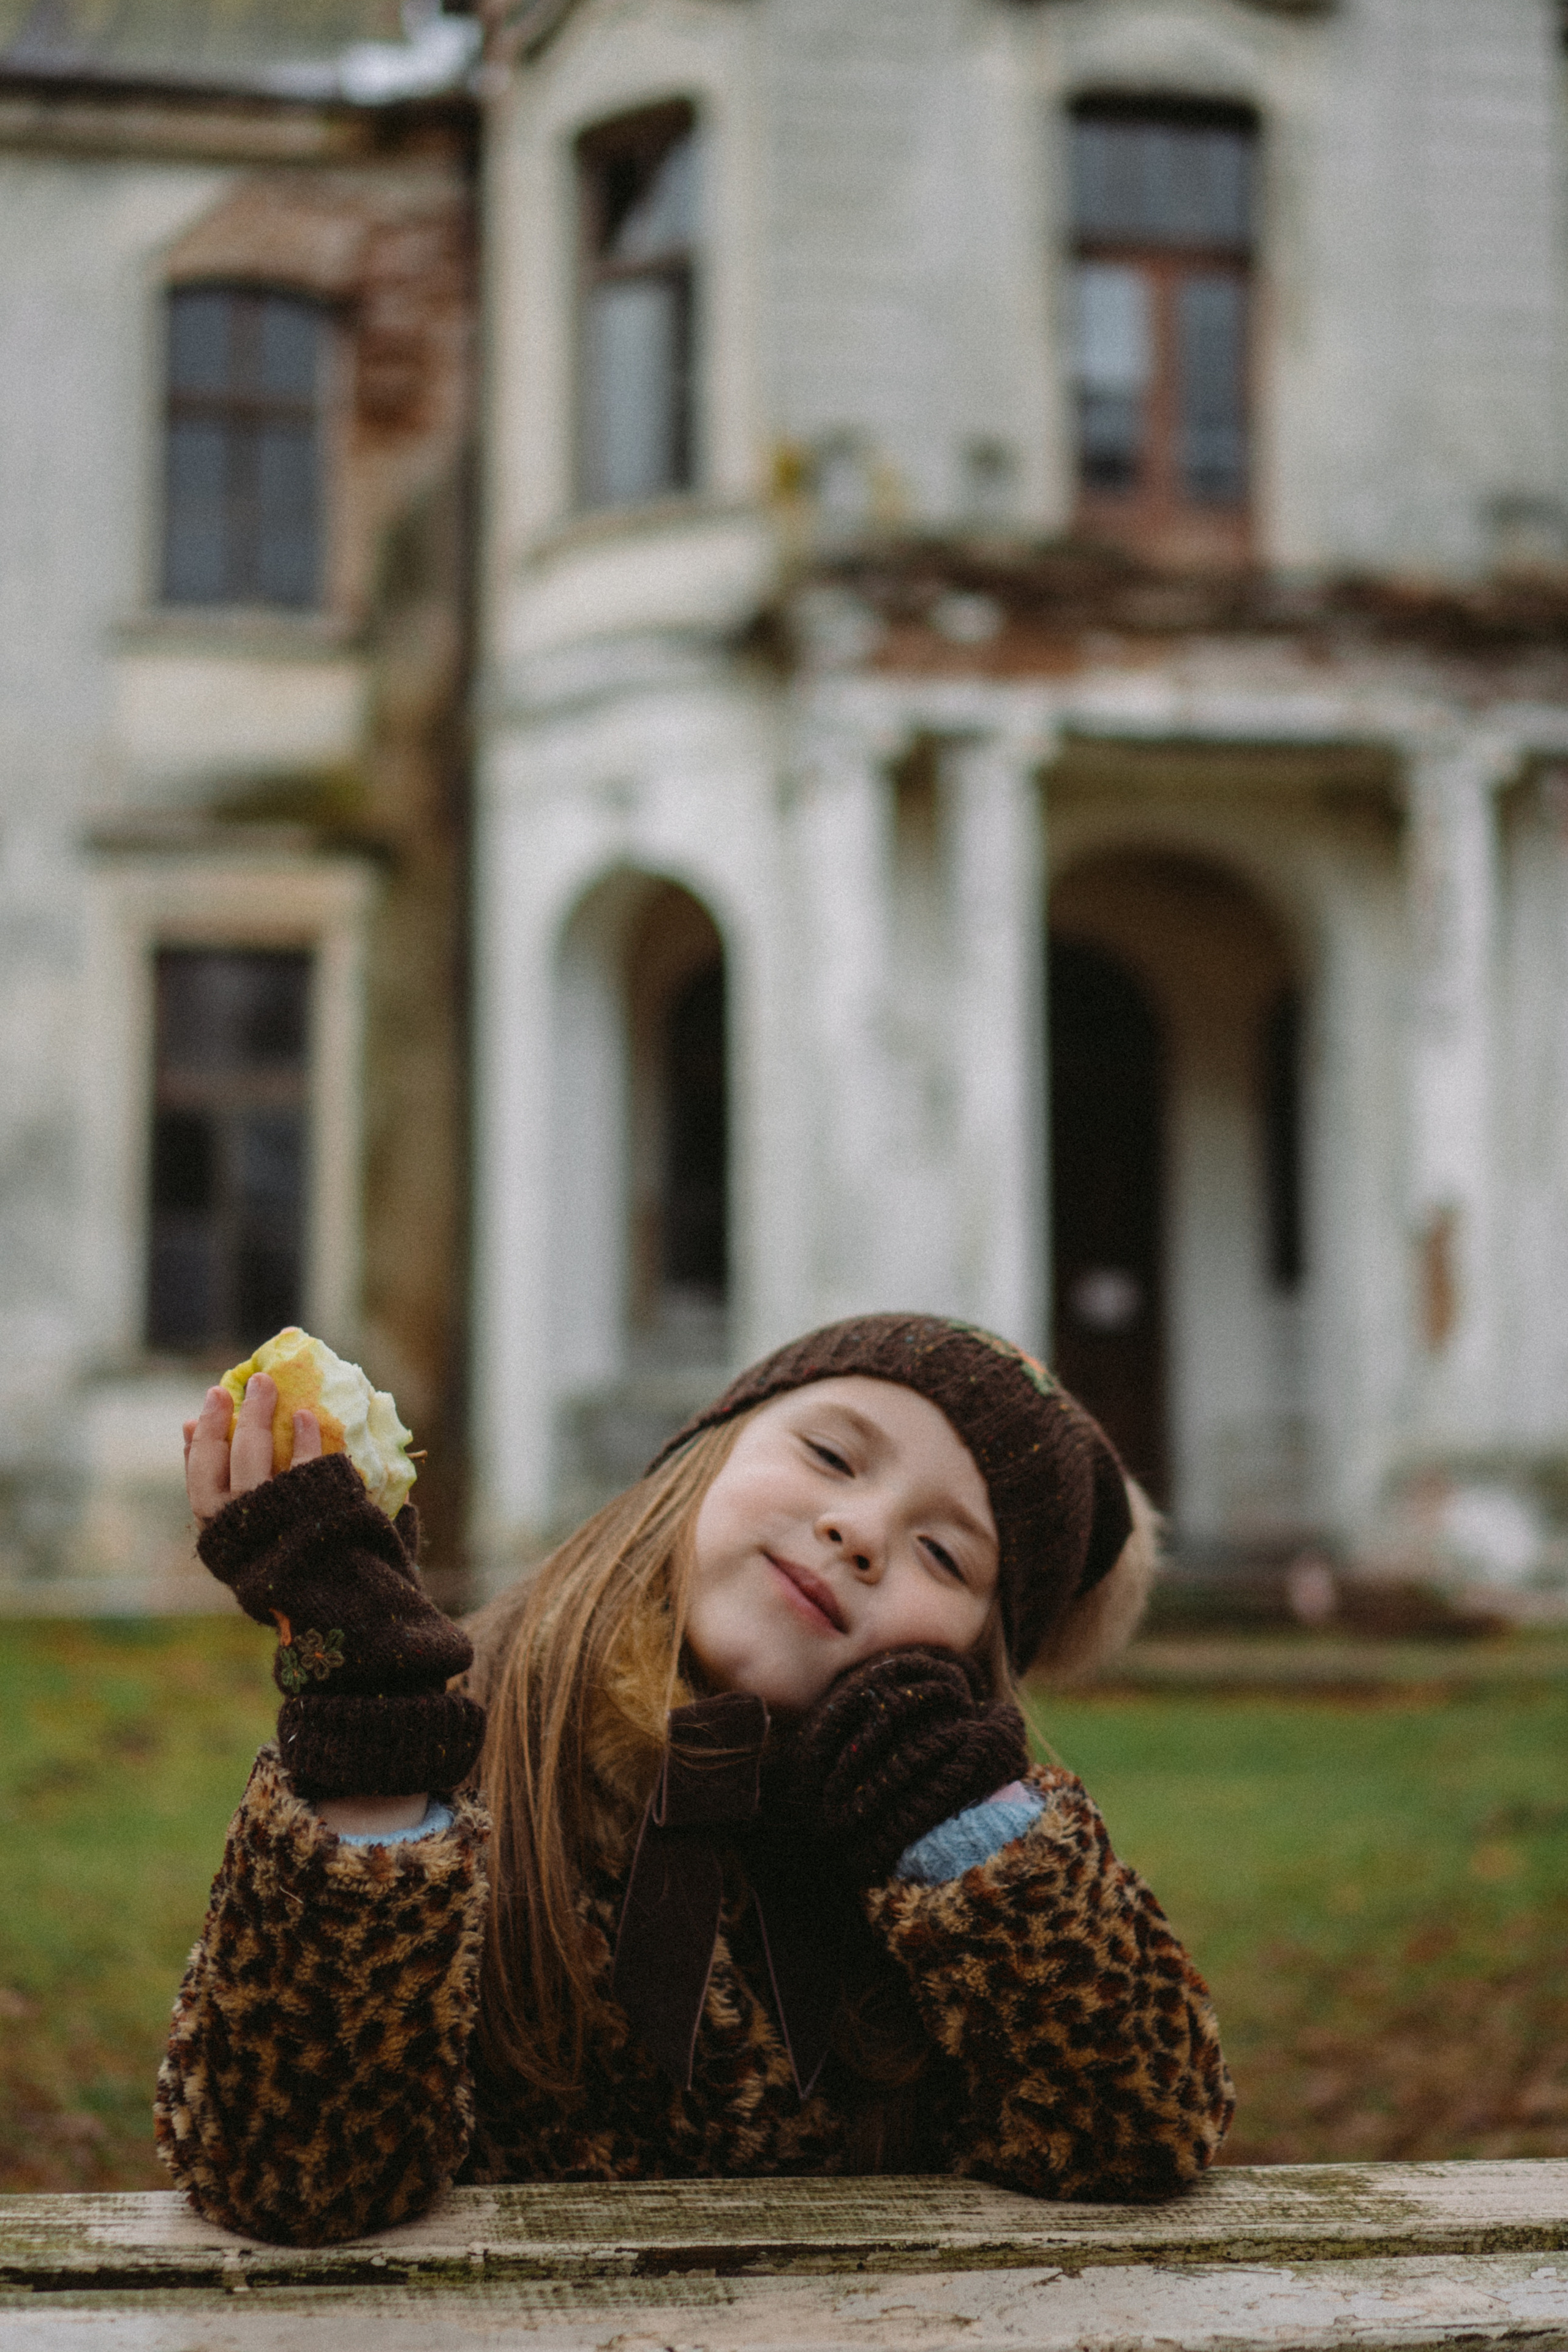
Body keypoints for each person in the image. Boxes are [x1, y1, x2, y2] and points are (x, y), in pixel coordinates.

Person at [157, 1313, 1233, 2247]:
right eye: (830, 1454)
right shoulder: (467, 1744)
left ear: (979, 1662)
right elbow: (290, 2174)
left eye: (945, 1557)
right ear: (704, 1456)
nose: (858, 1531)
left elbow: (1138, 2133)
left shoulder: (956, 1872)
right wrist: (371, 1745)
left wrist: (968, 1835)